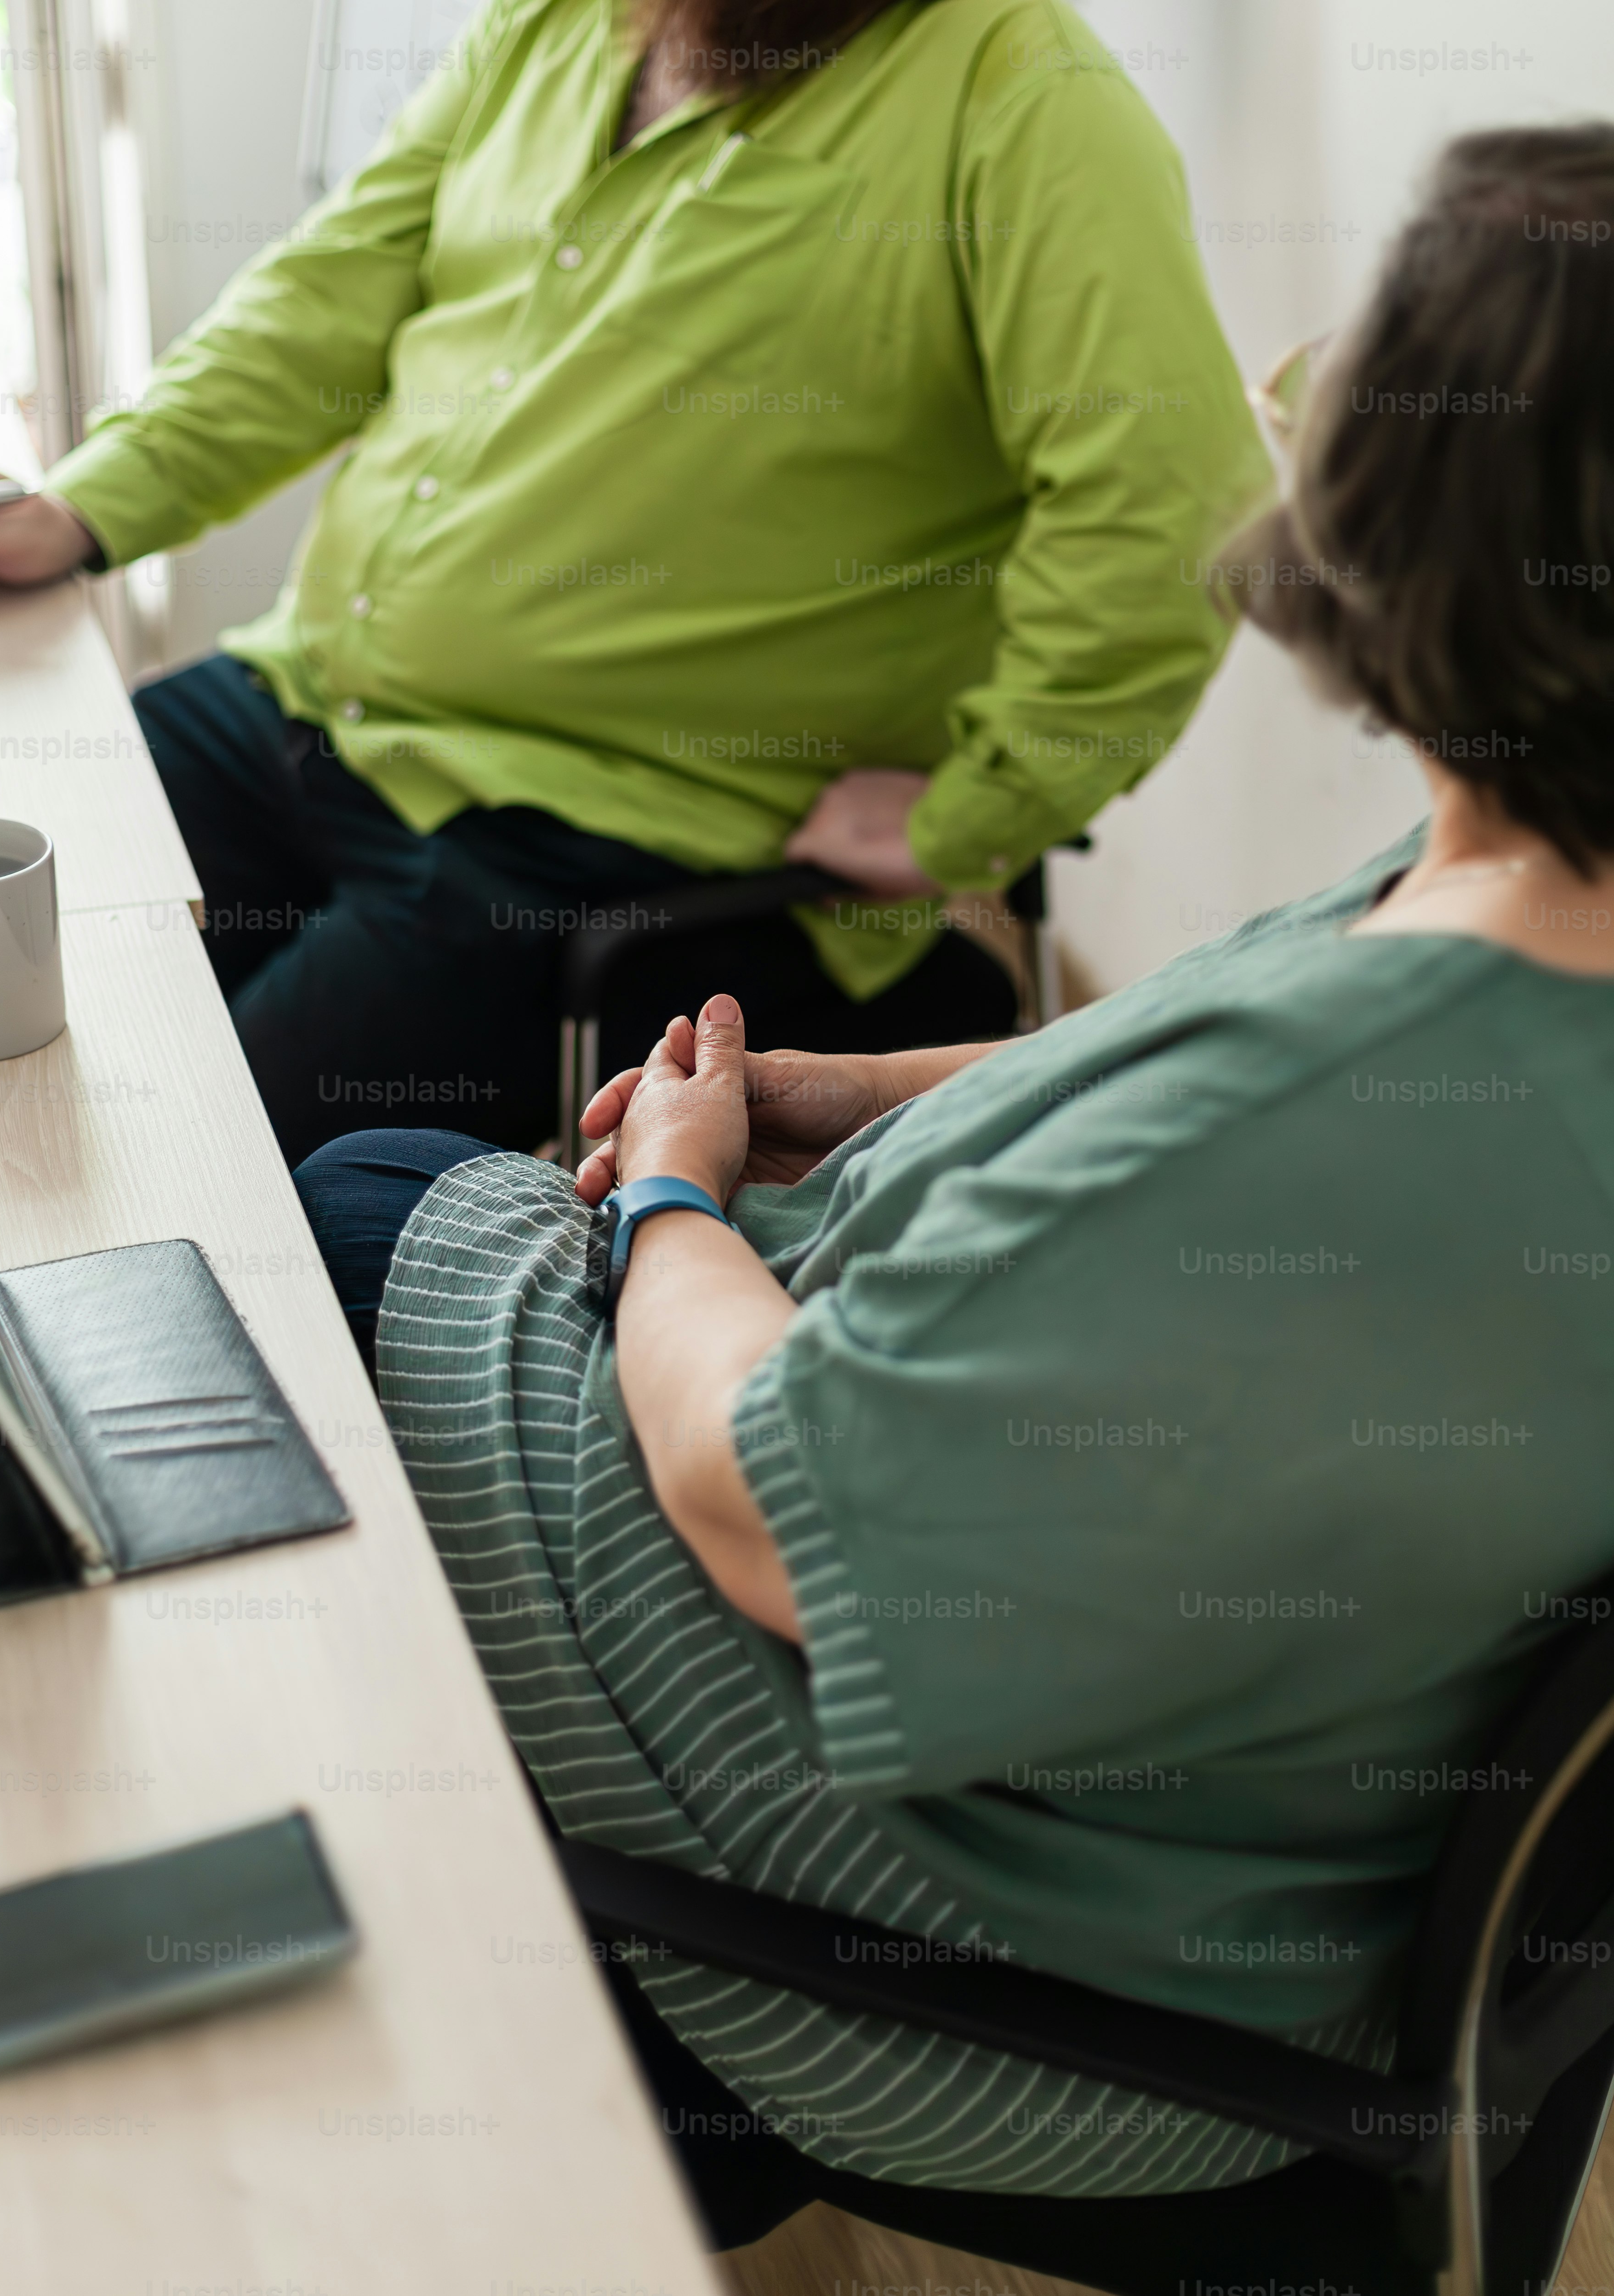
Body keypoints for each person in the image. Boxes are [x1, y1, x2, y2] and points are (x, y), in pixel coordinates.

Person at [288, 122, 1614, 2216]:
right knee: (376, 1207)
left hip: (999, 1931)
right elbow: (1213, 1066)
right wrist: (880, 1088)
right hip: (1244, 1832)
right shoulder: (1539, 897)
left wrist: (681, 1204)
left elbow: (769, 1518)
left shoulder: (1328, 1116)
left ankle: (475, 2045)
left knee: (347, 1221)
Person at [0, 0, 1265, 1163]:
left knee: (172, 1158)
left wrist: (979, 810)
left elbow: (1172, 510)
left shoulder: (1022, 91)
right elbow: (326, 297)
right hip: (309, 689)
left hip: (589, 820)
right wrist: (86, 505)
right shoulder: (556, 23)